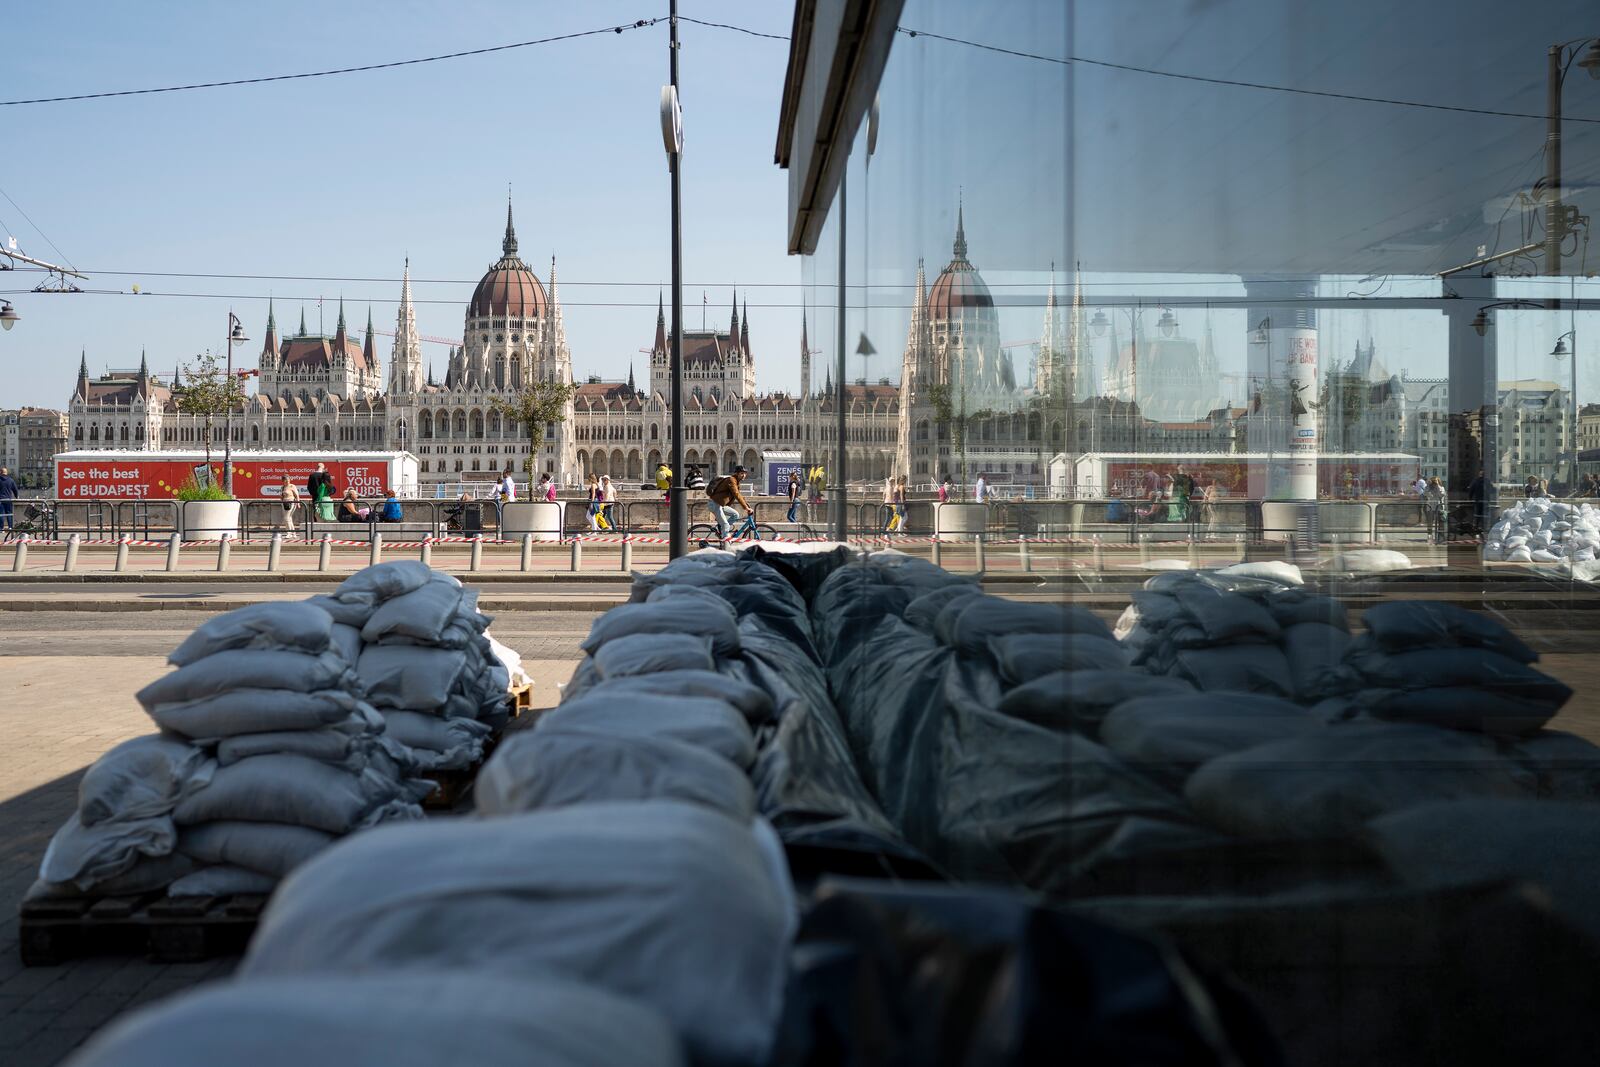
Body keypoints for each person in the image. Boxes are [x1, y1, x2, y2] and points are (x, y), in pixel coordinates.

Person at [707, 464, 752, 539]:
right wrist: (746, 508)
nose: (743, 475)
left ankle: (722, 530)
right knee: (725, 525)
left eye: (745, 473)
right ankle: (725, 544)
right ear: (737, 473)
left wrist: (747, 506)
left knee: (735, 515)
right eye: (741, 473)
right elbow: (736, 494)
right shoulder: (731, 480)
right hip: (715, 504)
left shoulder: (736, 482)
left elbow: (739, 495)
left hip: (720, 505)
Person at [1423, 476, 1447, 544]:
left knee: (1441, 523)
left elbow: (1441, 494)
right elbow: (1425, 494)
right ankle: (1430, 536)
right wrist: (1428, 485)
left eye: (1435, 481)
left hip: (1439, 507)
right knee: (1430, 523)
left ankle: (1440, 537)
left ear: (1438, 481)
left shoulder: (1441, 488)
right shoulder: (1428, 488)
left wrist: (1438, 486)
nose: (1434, 483)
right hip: (1430, 507)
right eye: (1433, 482)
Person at [0, 466, 19, 532]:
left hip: (1, 500)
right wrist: (17, 496)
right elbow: (15, 490)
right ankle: (10, 527)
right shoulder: (11, 480)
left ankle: (1, 528)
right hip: (8, 499)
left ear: (0, 472)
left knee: (1, 514)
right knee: (9, 513)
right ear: (6, 472)